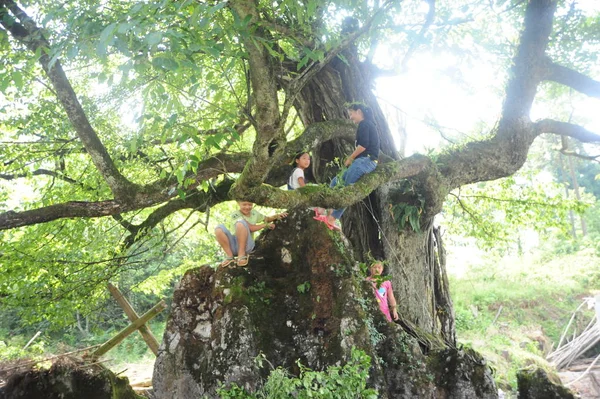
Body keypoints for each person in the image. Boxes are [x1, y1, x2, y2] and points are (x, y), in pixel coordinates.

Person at [314, 103, 379, 231]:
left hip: (367, 160)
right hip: (360, 161)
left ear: (359, 112)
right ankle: (323, 212)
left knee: (346, 189)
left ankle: (331, 220)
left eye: (351, 114)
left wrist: (350, 158)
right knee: (335, 181)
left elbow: (363, 146)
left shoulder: (365, 124)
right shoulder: (363, 125)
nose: (350, 118)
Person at [215, 201, 287, 267]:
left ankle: (241, 255)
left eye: (250, 205)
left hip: (246, 246)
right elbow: (251, 228)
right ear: (239, 204)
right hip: (233, 246)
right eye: (244, 204)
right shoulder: (235, 214)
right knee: (219, 228)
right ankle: (229, 256)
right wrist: (265, 225)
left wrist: (277, 216)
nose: (247, 207)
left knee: (241, 223)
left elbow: (267, 219)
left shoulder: (254, 213)